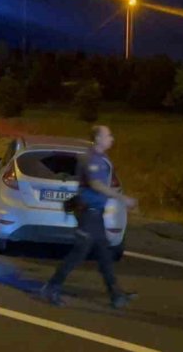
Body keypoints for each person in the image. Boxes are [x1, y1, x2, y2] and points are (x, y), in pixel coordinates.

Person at [41, 125, 138, 309]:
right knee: (79, 254)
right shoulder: (91, 159)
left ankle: (116, 294)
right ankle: (51, 287)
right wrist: (122, 198)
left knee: (104, 254)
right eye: (108, 135)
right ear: (98, 138)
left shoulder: (101, 158)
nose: (112, 138)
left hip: (96, 214)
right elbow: (96, 184)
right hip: (88, 213)